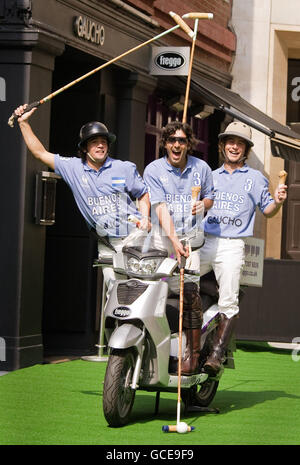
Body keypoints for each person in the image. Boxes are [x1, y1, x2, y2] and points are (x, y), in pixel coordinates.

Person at [14, 104, 150, 290]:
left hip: (135, 236)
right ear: (85, 147)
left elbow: (142, 193)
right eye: (94, 142)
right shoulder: (73, 168)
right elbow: (39, 153)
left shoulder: (124, 167)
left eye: (104, 141)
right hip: (107, 243)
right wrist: (23, 123)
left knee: (142, 289)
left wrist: (145, 218)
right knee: (117, 292)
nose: (101, 145)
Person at [200, 121, 288, 375]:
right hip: (205, 241)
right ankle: (192, 343)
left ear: (246, 149)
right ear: (222, 145)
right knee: (179, 279)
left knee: (229, 301)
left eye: (239, 143)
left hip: (232, 245)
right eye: (230, 141)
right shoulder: (210, 176)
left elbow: (268, 210)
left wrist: (279, 201)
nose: (234, 146)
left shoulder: (256, 178)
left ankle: (217, 355)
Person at [143, 121, 214, 375]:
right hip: (163, 239)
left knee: (188, 295)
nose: (176, 144)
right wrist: (174, 241)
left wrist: (203, 205)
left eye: (182, 140)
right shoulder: (153, 170)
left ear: (188, 144)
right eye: (172, 140)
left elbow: (210, 196)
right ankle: (155, 349)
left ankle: (190, 356)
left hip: (193, 238)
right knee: (156, 293)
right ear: (165, 143)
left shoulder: (202, 168)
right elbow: (160, 208)